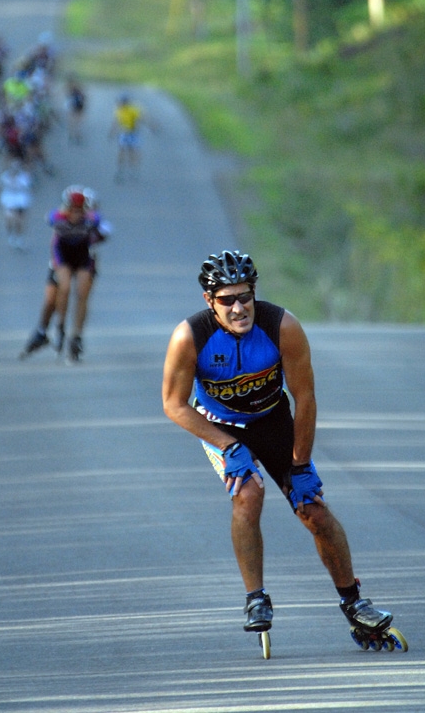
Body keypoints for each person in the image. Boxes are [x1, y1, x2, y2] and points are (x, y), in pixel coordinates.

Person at [162, 250, 399, 642]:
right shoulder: (190, 337)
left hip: (272, 420)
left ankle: (354, 603)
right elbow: (174, 405)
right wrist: (227, 445)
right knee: (247, 495)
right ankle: (256, 598)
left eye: (245, 297)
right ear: (210, 301)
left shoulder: (281, 326)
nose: (239, 308)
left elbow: (304, 398)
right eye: (227, 300)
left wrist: (301, 464)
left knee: (314, 511)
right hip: (221, 427)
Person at [19, 187, 111, 360]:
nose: (76, 214)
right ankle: (59, 326)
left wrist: (97, 234)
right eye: (72, 210)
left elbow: (105, 229)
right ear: (66, 208)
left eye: (79, 210)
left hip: (83, 256)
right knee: (64, 287)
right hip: (63, 256)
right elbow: (51, 220)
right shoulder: (58, 218)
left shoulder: (91, 220)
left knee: (83, 293)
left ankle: (76, 336)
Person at [108, 93, 157, 181]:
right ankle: (121, 170)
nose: (120, 104)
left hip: (133, 132)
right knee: (122, 151)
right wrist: (112, 132)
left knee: (132, 151)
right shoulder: (119, 110)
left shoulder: (133, 109)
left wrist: (151, 126)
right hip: (124, 132)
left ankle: (133, 171)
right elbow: (116, 122)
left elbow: (143, 118)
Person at [0, 159, 32, 249]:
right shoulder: (5, 176)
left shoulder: (24, 177)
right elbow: (4, 185)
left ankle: (19, 237)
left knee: (20, 220)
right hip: (9, 199)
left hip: (21, 200)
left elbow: (26, 185)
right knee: (9, 219)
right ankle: (11, 235)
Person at [65, 76, 86, 144]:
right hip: (78, 105)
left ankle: (72, 134)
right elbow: (83, 97)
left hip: (73, 104)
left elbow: (67, 96)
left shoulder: (68, 87)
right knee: (76, 121)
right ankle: (76, 134)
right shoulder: (78, 87)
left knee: (72, 120)